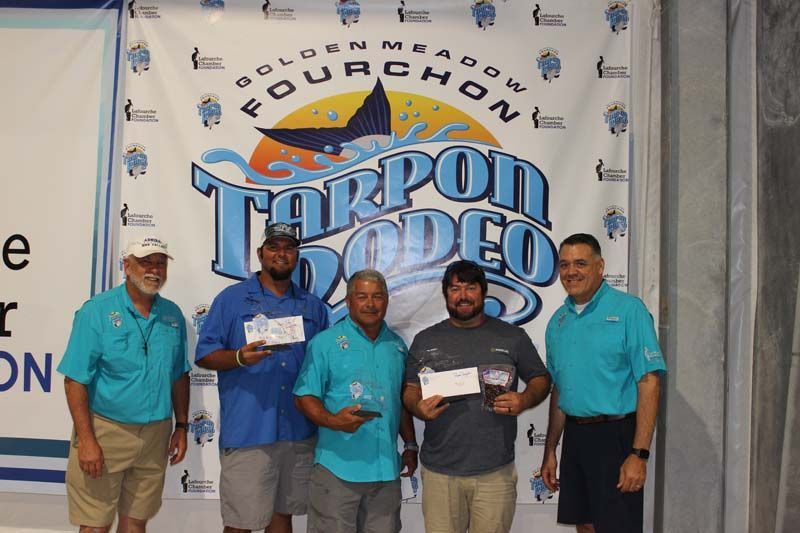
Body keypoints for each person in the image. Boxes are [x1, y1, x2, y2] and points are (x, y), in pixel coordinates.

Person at [195, 222, 329, 533]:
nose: (281, 254)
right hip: (249, 430)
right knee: (240, 523)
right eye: (274, 247)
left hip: (298, 430)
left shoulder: (312, 307)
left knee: (282, 517)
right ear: (260, 254)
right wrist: (239, 357)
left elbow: (324, 365)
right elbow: (204, 354)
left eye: (289, 248)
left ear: (297, 256)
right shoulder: (231, 300)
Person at [403, 260, 551, 533]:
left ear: (483, 292)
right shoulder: (425, 339)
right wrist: (418, 408)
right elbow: (411, 389)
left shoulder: (512, 337)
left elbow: (541, 379)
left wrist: (524, 399)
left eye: (470, 288)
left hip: (495, 473)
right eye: (455, 288)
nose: (463, 296)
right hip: (440, 473)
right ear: (445, 293)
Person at [58, 236, 190, 532]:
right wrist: (87, 440)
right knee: (95, 525)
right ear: (126, 265)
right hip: (106, 432)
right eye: (145, 262)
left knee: (136, 522)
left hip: (156, 433)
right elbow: (75, 380)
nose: (154, 269)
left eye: (160, 263)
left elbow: (180, 373)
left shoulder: (172, 315)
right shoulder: (97, 311)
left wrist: (181, 426)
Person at [540, 233, 666, 533]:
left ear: (600, 266)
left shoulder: (629, 311)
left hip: (617, 437)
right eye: (565, 264)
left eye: (581, 263)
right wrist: (550, 450)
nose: (572, 272)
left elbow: (649, 381)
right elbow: (561, 389)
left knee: (616, 527)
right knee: (585, 526)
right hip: (576, 436)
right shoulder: (558, 321)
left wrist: (639, 454)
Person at [294, 269, 418, 533]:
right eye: (362, 296)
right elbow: (304, 396)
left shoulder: (397, 347)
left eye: (377, 297)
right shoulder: (325, 343)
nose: (370, 304)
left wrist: (410, 443)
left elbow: (400, 401)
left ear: (387, 301)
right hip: (338, 470)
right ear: (349, 301)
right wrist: (334, 421)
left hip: (386, 470)